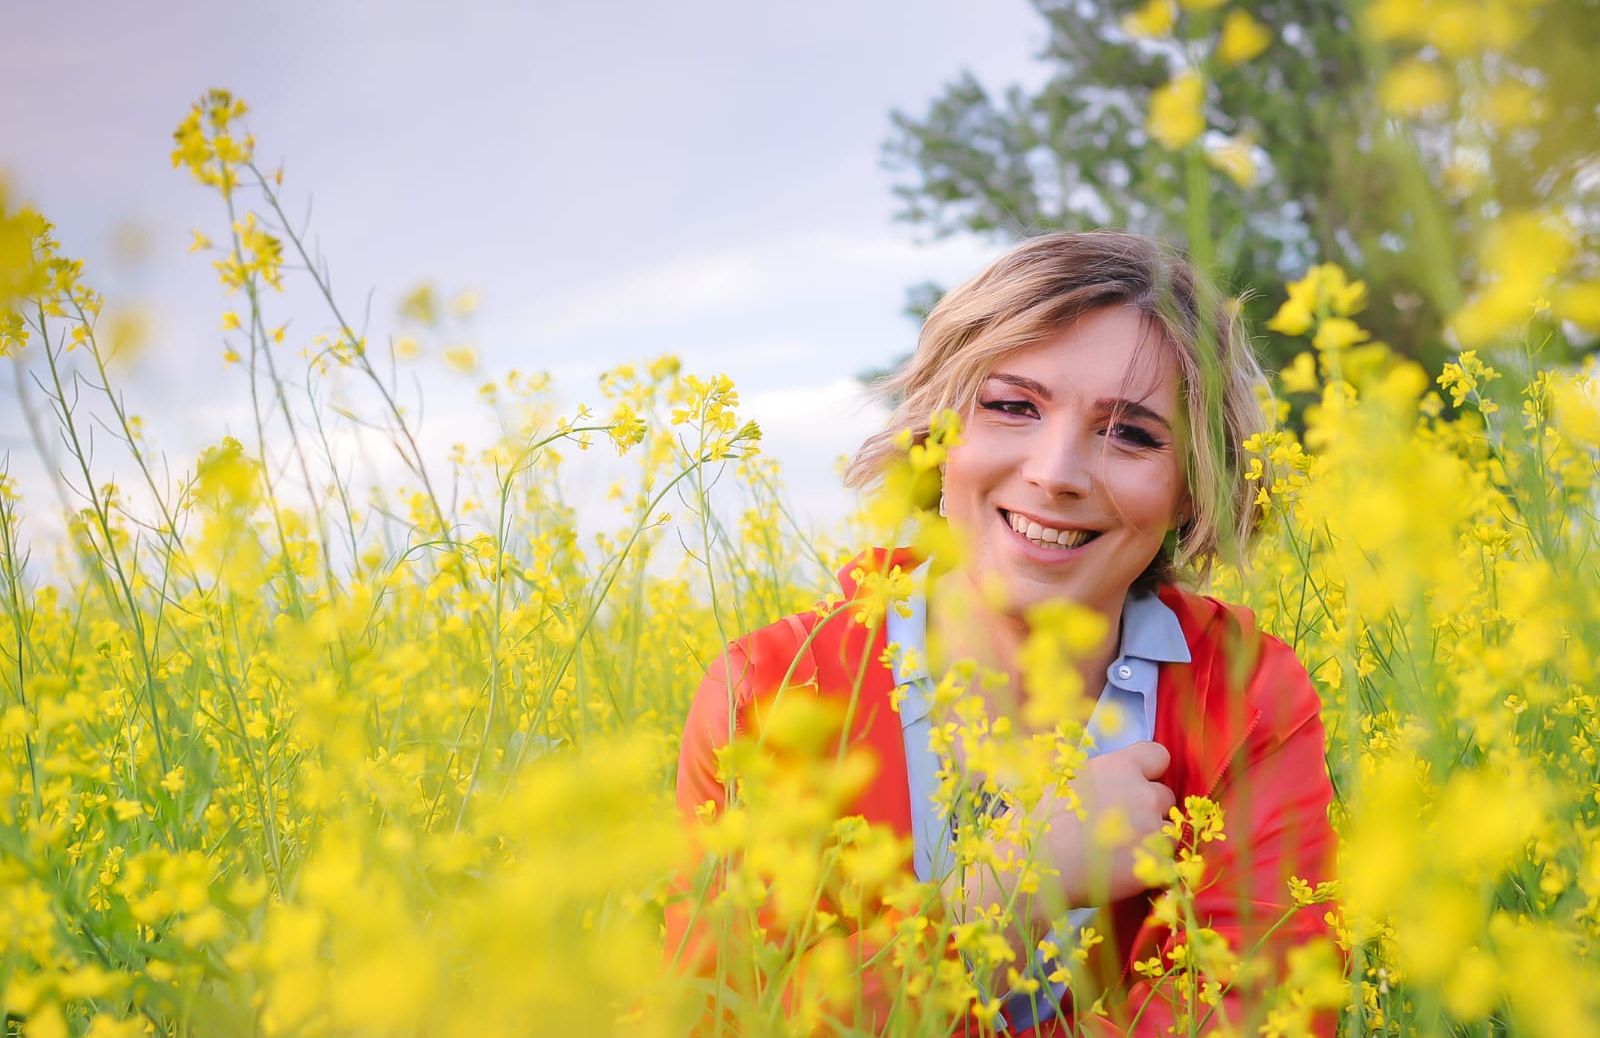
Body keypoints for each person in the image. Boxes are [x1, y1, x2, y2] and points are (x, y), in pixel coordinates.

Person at [667, 231, 1337, 1036]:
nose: (1057, 472)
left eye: (1132, 433)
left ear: (1195, 488)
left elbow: (1265, 1012)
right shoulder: (773, 693)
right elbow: (729, 1019)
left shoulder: (1244, 692)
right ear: (937, 436)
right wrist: (1011, 888)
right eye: (1013, 406)